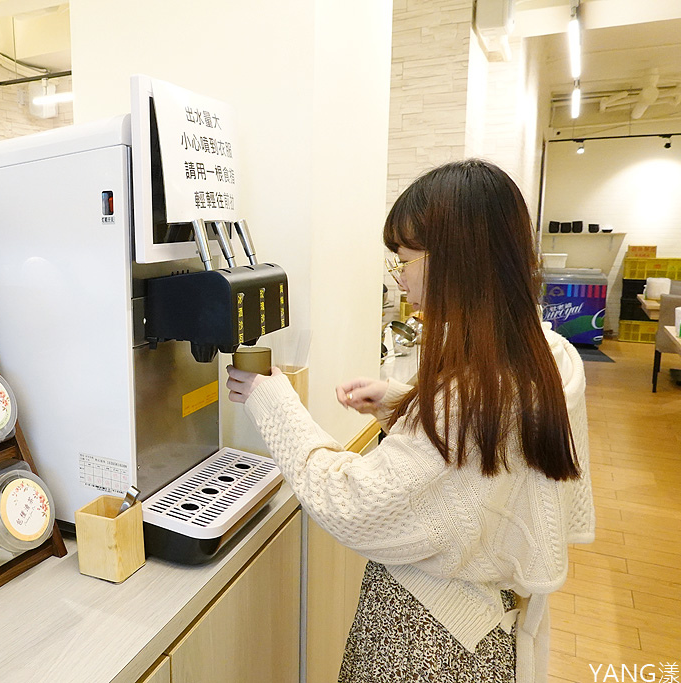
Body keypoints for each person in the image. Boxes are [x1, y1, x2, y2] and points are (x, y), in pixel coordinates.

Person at [226, 159, 594, 683]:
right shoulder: (547, 355)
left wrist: (271, 400)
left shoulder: (466, 397)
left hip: (425, 639)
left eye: (404, 259)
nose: (400, 276)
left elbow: (353, 502)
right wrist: (405, 402)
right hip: (487, 633)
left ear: (454, 261)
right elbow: (490, 441)